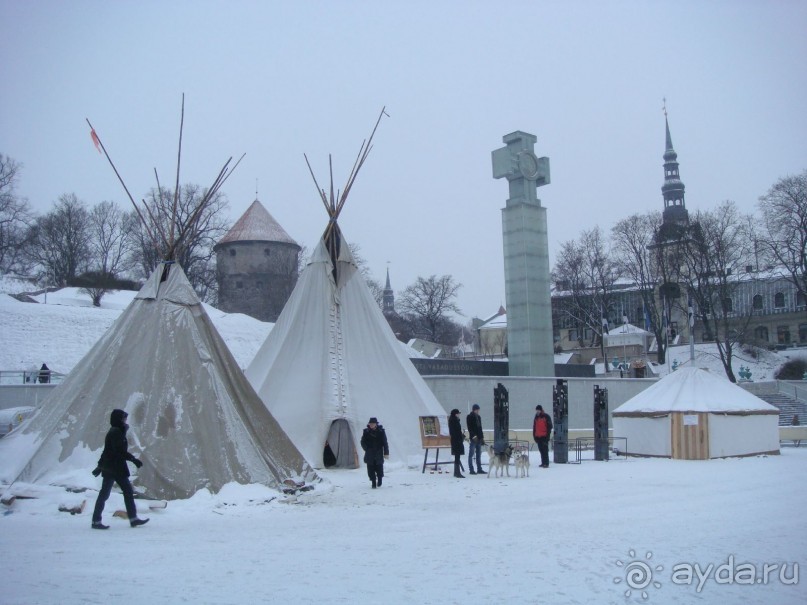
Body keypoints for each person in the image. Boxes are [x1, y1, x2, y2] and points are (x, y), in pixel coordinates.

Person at [91, 409, 149, 529]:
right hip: (115, 468)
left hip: (112, 468)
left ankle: (132, 519)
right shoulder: (116, 432)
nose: (125, 420)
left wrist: (100, 466)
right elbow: (119, 451)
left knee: (109, 494)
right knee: (117, 493)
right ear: (119, 419)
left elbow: (107, 451)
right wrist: (133, 459)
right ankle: (131, 519)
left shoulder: (116, 431)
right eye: (124, 418)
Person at [360, 417, 389, 488]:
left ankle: (380, 479)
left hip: (378, 452)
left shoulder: (381, 431)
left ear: (376, 424)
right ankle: (373, 482)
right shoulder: (366, 432)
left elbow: (385, 443)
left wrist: (386, 453)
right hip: (370, 453)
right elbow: (362, 441)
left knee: (379, 467)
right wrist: (366, 448)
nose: (371, 425)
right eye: (370, 424)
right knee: (370, 468)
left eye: (373, 423)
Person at [533, 404, 553, 469]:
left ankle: (546, 463)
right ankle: (543, 463)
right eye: (537, 410)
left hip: (544, 436)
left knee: (545, 450)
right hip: (538, 436)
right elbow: (534, 427)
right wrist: (534, 436)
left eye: (538, 410)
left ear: (541, 410)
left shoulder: (546, 416)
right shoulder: (536, 417)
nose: (537, 411)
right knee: (541, 450)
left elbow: (550, 426)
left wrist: (547, 436)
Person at [466, 404, 484, 475]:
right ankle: (471, 469)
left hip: (479, 438)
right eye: (477, 410)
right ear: (474, 410)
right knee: (471, 454)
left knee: (478, 454)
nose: (478, 411)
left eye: (478, 410)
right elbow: (469, 428)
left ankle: (479, 469)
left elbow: (480, 428)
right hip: (473, 438)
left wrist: (482, 438)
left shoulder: (478, 417)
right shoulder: (469, 417)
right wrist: (473, 436)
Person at [448, 408, 466, 478]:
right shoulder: (454, 421)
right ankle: (457, 472)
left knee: (457, 456)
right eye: (458, 414)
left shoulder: (453, 420)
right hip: (456, 440)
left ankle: (456, 472)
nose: (459, 415)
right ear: (455, 414)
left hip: (455, 440)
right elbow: (456, 431)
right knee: (457, 456)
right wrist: (460, 437)